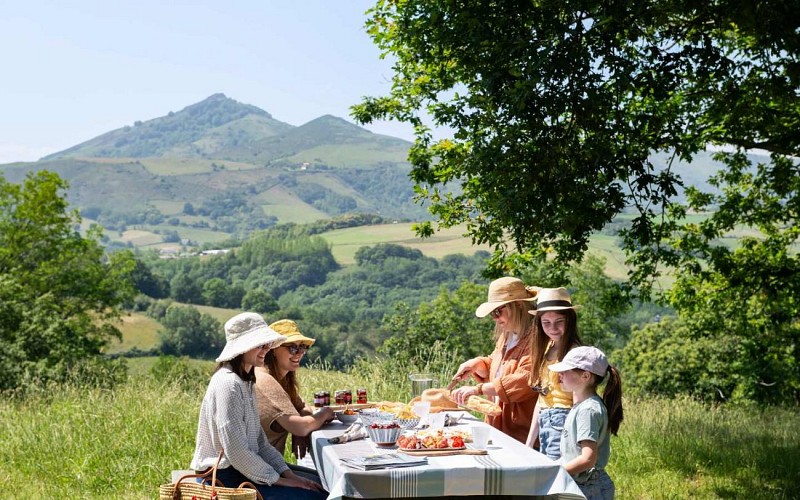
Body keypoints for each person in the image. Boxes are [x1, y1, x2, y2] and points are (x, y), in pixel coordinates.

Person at [190, 312, 328, 500]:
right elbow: (236, 451)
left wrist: (288, 474)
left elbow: (260, 443)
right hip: (224, 478)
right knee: (317, 496)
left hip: (241, 471)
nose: (266, 349)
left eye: (267, 344)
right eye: (260, 345)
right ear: (242, 347)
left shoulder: (245, 381)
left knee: (318, 487)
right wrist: (279, 480)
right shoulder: (228, 384)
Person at [450, 276, 540, 443]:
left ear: (519, 305)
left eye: (498, 311)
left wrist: (478, 389)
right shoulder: (508, 335)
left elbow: (525, 380)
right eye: (493, 313)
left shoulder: (538, 339)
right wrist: (478, 364)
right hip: (499, 429)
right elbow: (498, 366)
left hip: (522, 435)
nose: (495, 318)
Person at [254, 319, 333, 478]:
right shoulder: (265, 379)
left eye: (303, 347)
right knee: (325, 486)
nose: (300, 353)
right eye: (293, 347)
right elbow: (301, 427)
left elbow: (303, 407)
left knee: (326, 480)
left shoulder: (281, 379)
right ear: (273, 349)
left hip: (269, 466)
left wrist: (300, 425)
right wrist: (325, 413)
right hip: (259, 472)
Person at [547, 346, 623, 500]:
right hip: (579, 483)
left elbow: (588, 459)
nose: (560, 374)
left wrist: (555, 473)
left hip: (589, 487)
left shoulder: (588, 410)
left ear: (586, 376)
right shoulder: (581, 406)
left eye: (566, 371)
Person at [525, 287, 583, 460]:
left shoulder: (574, 353)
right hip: (545, 419)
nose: (553, 328)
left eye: (559, 321)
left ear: (570, 321)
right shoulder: (546, 349)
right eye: (546, 323)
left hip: (564, 421)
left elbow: (579, 399)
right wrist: (529, 442)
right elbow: (542, 398)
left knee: (558, 477)